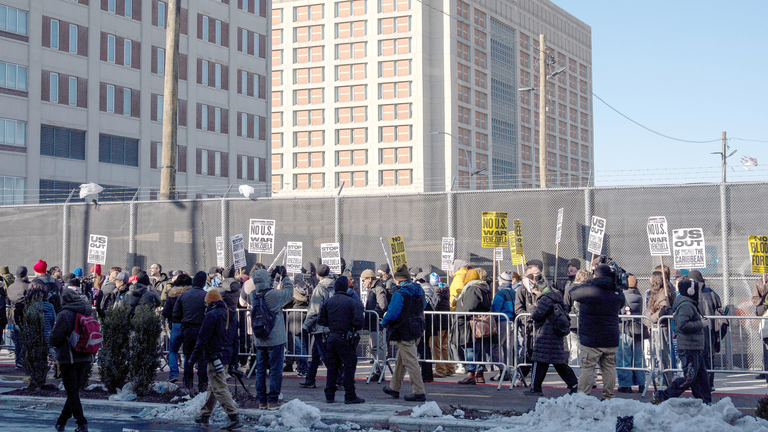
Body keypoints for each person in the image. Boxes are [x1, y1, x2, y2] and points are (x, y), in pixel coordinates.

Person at [568, 264, 625, 400]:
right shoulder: (617, 291)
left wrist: (588, 280)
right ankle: (608, 396)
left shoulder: (589, 290)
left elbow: (572, 293)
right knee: (609, 368)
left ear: (595, 275)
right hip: (611, 336)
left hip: (591, 337)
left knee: (588, 367)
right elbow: (621, 304)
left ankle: (583, 396)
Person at [653, 278, 712, 404]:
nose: (698, 293)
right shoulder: (686, 305)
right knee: (689, 378)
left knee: (701, 377)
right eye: (696, 289)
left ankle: (705, 402)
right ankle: (665, 395)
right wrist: (700, 324)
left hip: (694, 346)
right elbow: (682, 325)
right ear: (691, 291)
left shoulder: (689, 304)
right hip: (689, 347)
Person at [189, 289, 242, 430]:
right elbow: (236, 340)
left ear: (209, 303)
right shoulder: (231, 314)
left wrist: (192, 358)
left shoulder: (211, 315)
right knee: (213, 387)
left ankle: (234, 416)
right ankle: (204, 415)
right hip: (226, 355)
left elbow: (202, 338)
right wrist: (234, 361)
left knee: (219, 388)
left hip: (214, 355)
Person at [524, 275, 578, 396]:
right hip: (556, 335)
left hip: (545, 335)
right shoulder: (557, 297)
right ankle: (574, 384)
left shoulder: (545, 299)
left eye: (536, 292)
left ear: (540, 290)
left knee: (539, 362)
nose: (536, 295)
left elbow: (537, 315)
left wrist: (532, 308)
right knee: (559, 363)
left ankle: (535, 388)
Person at [381, 264, 427, 402]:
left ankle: (419, 392)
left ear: (398, 280)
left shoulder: (400, 293)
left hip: (404, 330)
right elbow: (423, 305)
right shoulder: (419, 290)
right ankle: (394, 388)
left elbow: (393, 313)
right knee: (402, 359)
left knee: (411, 361)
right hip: (417, 328)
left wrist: (384, 322)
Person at [51, 289, 94, 432]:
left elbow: (56, 337)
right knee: (73, 391)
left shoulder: (65, 314)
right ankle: (61, 421)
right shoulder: (86, 311)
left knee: (72, 392)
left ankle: (82, 422)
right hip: (86, 355)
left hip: (68, 357)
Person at [318, 275, 365, 404]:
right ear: (346, 287)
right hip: (345, 338)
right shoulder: (351, 302)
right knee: (349, 366)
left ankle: (329, 395)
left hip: (332, 337)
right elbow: (359, 321)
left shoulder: (328, 302)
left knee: (332, 367)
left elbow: (321, 320)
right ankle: (350, 395)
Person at [251, 267, 294, 409]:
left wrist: (270, 279)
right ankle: (273, 400)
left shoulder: (253, 294)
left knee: (261, 370)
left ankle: (262, 401)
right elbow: (289, 291)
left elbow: (264, 286)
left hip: (260, 339)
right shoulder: (273, 296)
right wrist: (285, 276)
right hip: (275, 338)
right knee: (275, 370)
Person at [173, 271, 209, 394]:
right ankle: (203, 386)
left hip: (187, 329)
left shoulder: (183, 296)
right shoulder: (206, 296)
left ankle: (188, 385)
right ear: (204, 282)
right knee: (202, 359)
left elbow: (176, 314)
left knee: (188, 357)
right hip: (202, 330)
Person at [455, 268, 493, 385]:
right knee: (480, 350)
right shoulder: (483, 288)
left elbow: (470, 307)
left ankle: (470, 374)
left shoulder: (473, 289)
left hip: (470, 324)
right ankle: (479, 374)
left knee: (470, 349)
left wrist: (461, 311)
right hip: (480, 324)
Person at [300, 264, 335, 389]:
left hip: (320, 326)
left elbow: (314, 310)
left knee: (324, 355)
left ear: (317, 274)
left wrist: (305, 325)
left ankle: (338, 379)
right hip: (330, 325)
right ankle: (310, 378)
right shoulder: (334, 286)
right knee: (316, 354)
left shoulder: (319, 289)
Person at [691, 270, 725, 390]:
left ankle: (696, 383)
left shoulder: (690, 293)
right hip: (710, 331)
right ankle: (709, 384)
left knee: (695, 359)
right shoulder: (711, 293)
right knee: (709, 358)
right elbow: (720, 309)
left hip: (695, 330)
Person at [617, 275, 647, 394]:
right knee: (639, 359)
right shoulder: (639, 296)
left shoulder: (622, 296)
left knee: (624, 359)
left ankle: (626, 385)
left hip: (625, 329)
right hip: (637, 330)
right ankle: (641, 384)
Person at [646, 270, 676, 387]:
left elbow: (663, 310)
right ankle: (662, 377)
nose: (649, 279)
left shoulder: (662, 293)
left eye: (651, 277)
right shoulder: (655, 292)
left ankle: (666, 378)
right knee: (658, 355)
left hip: (660, 327)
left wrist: (650, 320)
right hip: (655, 326)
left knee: (662, 354)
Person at [513, 266, 540, 386]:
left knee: (539, 355)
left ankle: (536, 381)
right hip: (529, 327)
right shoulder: (522, 289)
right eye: (535, 274)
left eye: (539, 274)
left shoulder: (544, 287)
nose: (538, 276)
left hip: (542, 326)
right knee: (528, 353)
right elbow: (518, 309)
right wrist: (531, 317)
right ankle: (521, 376)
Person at [163, 274, 192, 383]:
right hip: (188, 324)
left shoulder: (172, 295)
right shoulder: (190, 295)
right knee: (187, 351)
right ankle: (186, 374)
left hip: (175, 325)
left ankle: (173, 374)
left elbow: (166, 312)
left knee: (173, 350)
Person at [491, 271, 519, 380]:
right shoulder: (514, 292)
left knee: (496, 347)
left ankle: (502, 369)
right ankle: (508, 370)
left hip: (502, 322)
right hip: (513, 321)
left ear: (501, 282)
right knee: (508, 348)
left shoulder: (500, 294)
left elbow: (495, 309)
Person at [364, 267, 390, 381]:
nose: (363, 283)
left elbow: (382, 305)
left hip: (377, 323)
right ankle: (378, 371)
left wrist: (373, 314)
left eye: (364, 280)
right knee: (375, 348)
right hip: (373, 322)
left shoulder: (378, 289)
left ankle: (380, 372)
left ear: (370, 279)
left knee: (378, 348)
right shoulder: (374, 288)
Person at [284, 273, 310, 377]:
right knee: (303, 346)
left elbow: (284, 303)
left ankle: (303, 368)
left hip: (295, 323)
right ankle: (302, 367)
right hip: (305, 321)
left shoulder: (294, 293)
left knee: (299, 347)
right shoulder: (308, 291)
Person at [430, 272, 455, 378]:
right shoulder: (445, 292)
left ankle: (440, 370)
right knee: (443, 347)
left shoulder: (435, 293)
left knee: (436, 347)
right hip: (446, 322)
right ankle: (449, 368)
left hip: (438, 323)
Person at [564, 269, 590, 367]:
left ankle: (575, 375)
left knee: (574, 349)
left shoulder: (570, 288)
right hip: (587, 323)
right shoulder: (590, 288)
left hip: (573, 322)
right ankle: (590, 375)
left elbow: (565, 304)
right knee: (587, 350)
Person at [415, 271, 436, 383]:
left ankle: (427, 374)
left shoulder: (425, 289)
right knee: (424, 347)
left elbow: (423, 303)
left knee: (423, 348)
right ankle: (427, 373)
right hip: (428, 321)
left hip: (425, 321)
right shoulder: (429, 288)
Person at [7, 266, 29, 369]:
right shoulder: (27, 286)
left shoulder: (11, 286)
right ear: (25, 274)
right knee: (26, 339)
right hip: (25, 315)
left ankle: (18, 361)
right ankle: (23, 360)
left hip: (14, 316)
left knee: (17, 341)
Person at [752, 274, 768, 382]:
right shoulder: (759, 282)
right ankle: (765, 371)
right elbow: (755, 299)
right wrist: (764, 302)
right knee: (766, 346)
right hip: (766, 316)